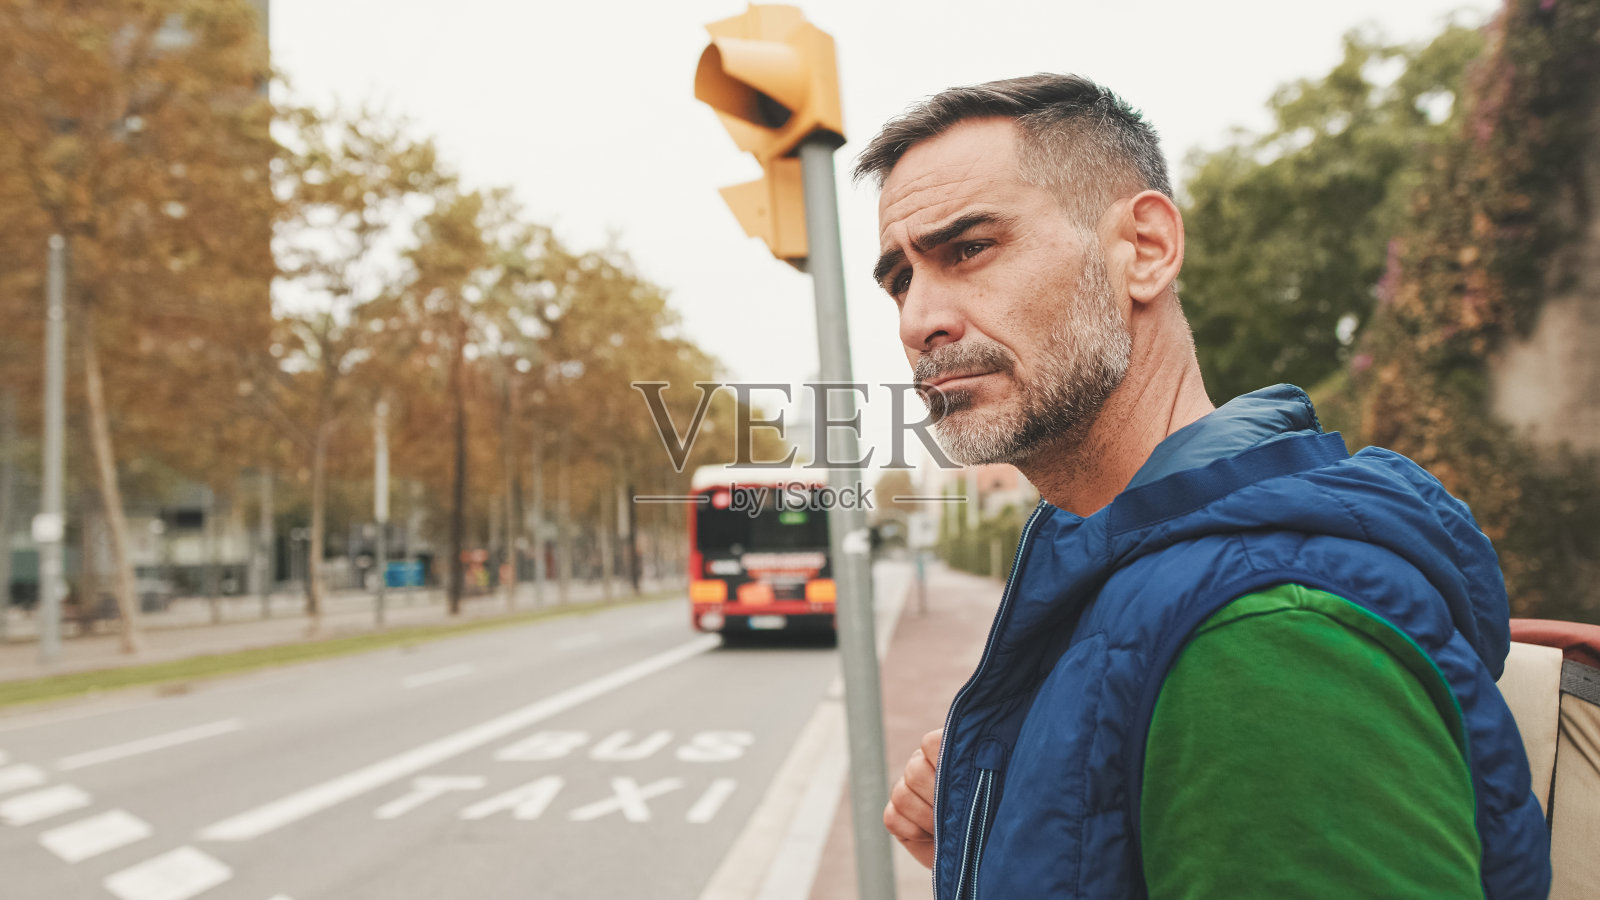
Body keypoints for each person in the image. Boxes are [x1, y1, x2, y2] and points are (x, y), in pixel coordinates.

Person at [856, 74, 1550, 898]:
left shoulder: (1266, 637)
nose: (918, 320)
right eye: (900, 280)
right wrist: (1012, 840)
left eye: (969, 249)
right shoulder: (1121, 566)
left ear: (1145, 249)